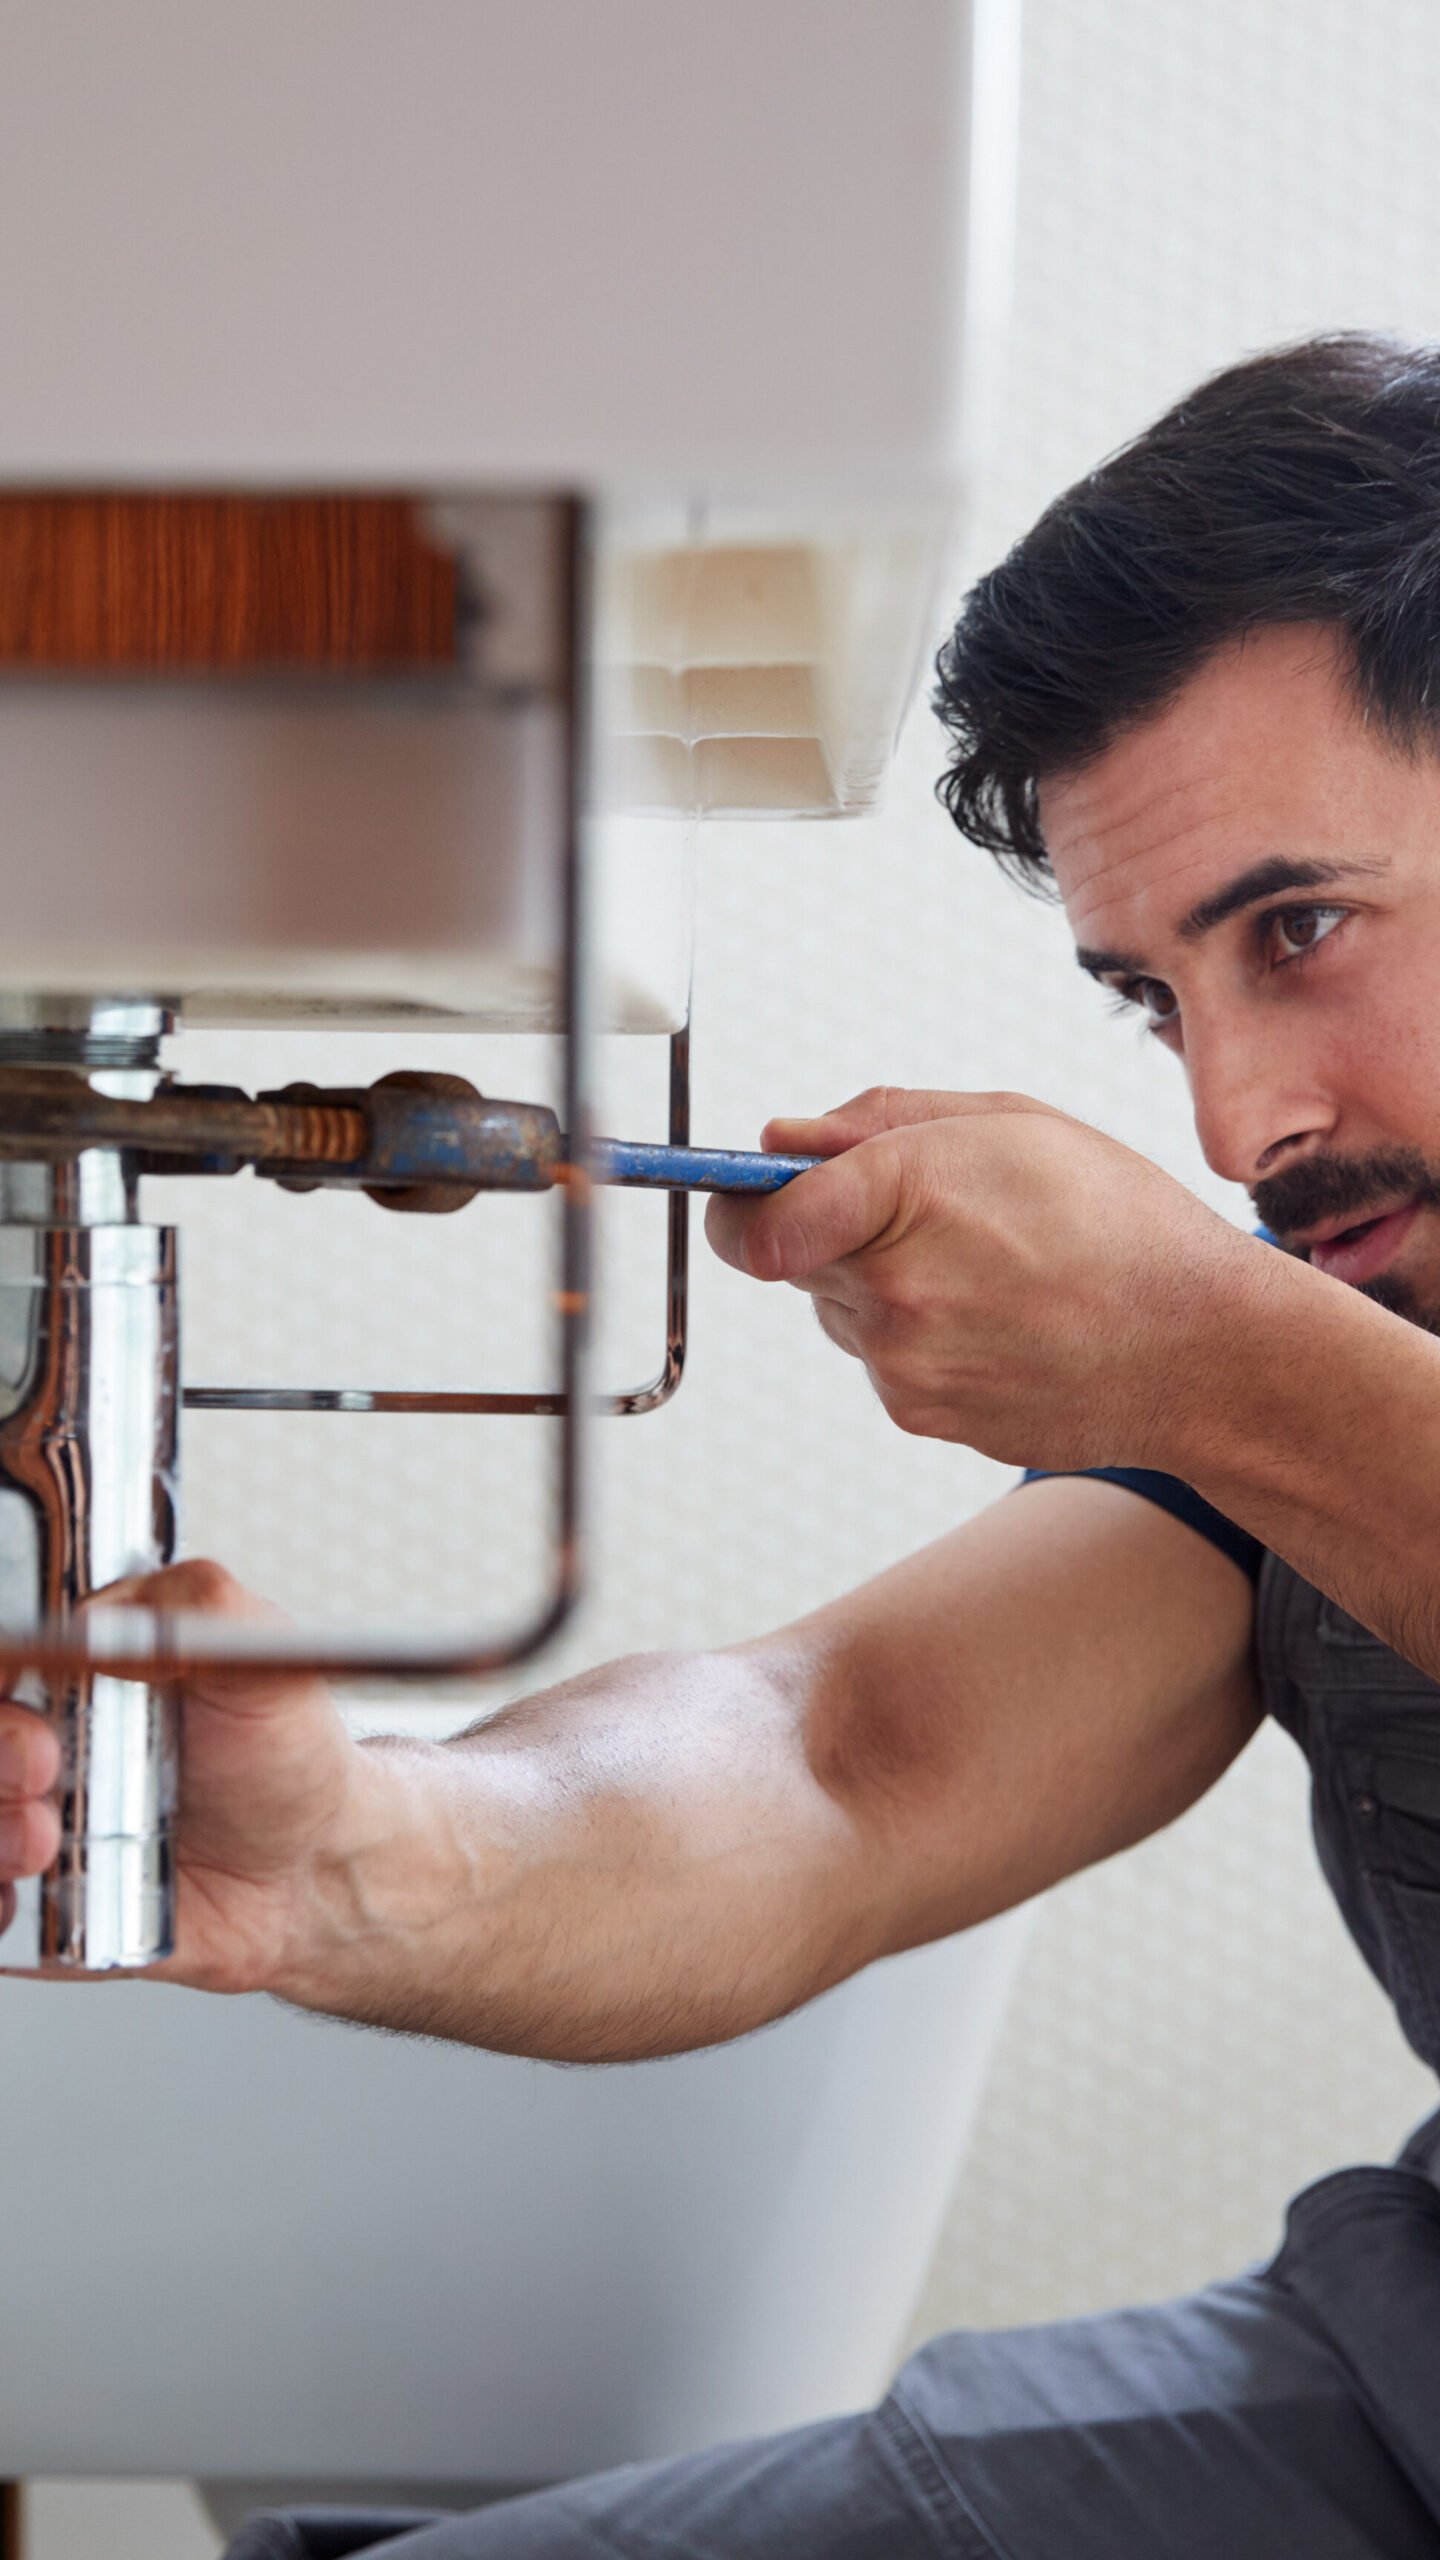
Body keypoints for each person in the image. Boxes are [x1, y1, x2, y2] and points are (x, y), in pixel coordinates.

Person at [12, 330, 1440, 2557]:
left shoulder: (1261, 1348)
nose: (1234, 1118)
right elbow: (838, 1756)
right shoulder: (1335, 1328)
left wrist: (1203, 1342)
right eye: (1159, 998)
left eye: (1301, 927)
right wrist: (356, 1851)